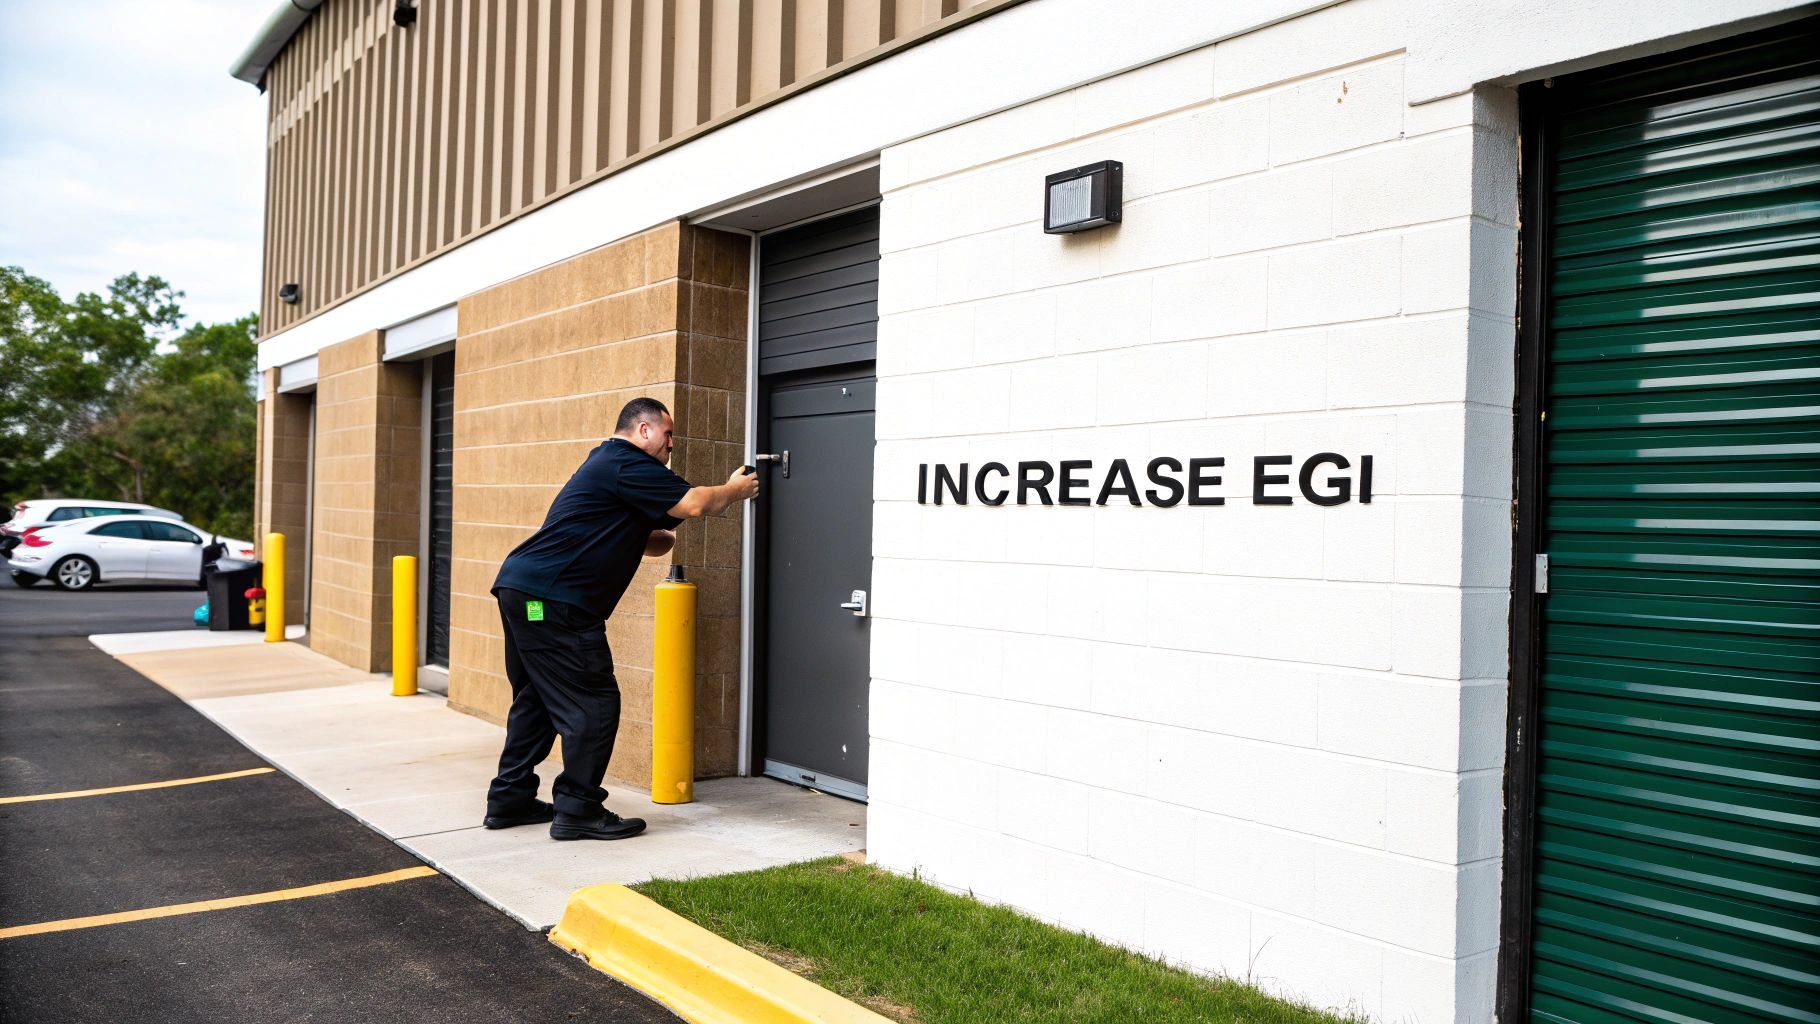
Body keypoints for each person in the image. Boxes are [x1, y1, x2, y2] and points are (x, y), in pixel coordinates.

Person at [483, 397, 759, 840]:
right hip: (555, 601)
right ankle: (577, 810)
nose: (672, 446)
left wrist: (640, 536)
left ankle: (510, 798)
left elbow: (649, 535)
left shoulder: (608, 464)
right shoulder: (625, 461)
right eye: (668, 435)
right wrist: (734, 490)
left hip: (527, 594)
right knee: (593, 703)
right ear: (644, 430)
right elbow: (694, 504)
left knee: (537, 699)